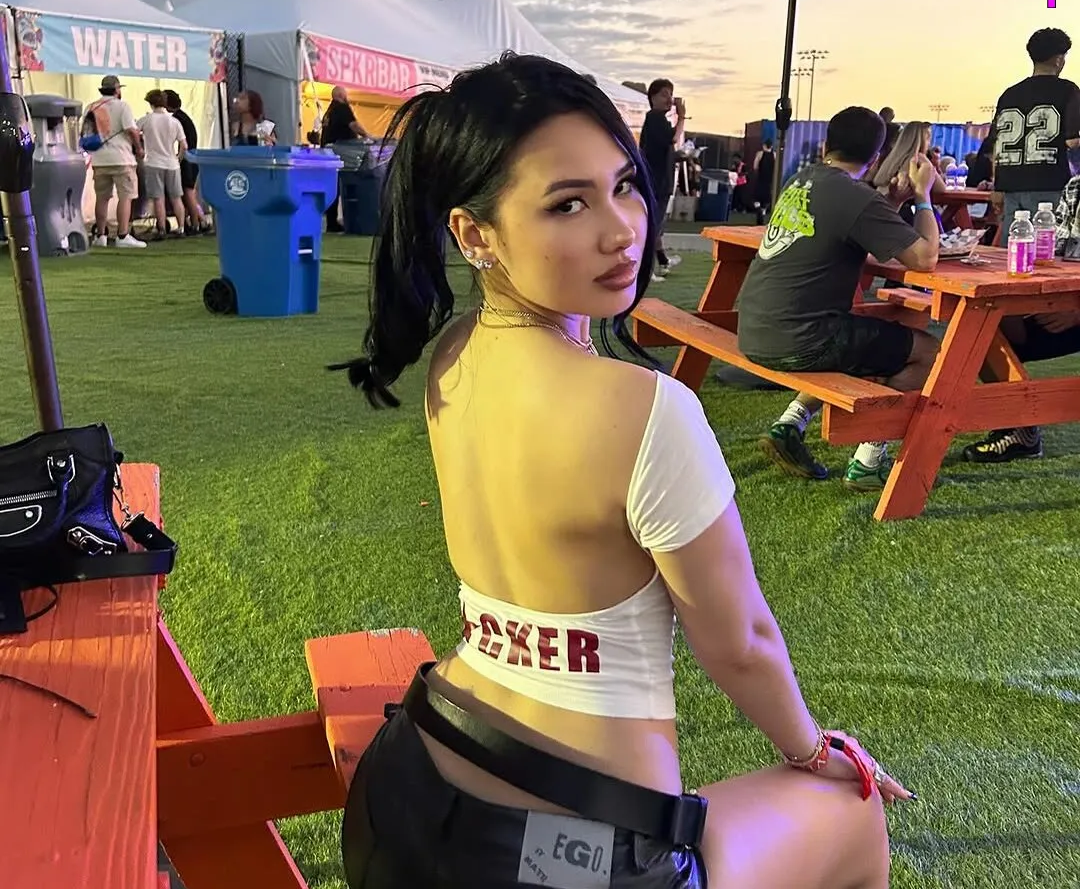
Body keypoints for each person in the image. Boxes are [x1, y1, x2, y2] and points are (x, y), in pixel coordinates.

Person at [330, 53, 911, 889]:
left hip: (404, 796)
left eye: (624, 186)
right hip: (572, 863)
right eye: (568, 203)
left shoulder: (454, 353)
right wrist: (815, 748)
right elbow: (740, 641)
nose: (621, 230)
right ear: (474, 233)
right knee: (852, 806)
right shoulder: (646, 409)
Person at [735, 107, 942, 491]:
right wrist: (923, 196)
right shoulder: (856, 196)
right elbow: (925, 258)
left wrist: (893, 204)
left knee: (868, 338)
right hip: (801, 338)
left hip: (754, 328)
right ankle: (868, 461)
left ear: (825, 146)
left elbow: (856, 224)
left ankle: (790, 424)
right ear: (875, 158)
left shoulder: (801, 180)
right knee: (928, 352)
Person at [961, 169, 1080, 462]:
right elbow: (1056, 253)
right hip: (1064, 299)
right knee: (986, 328)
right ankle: (1020, 430)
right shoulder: (1075, 186)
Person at [992, 27, 1080, 239]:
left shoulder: (1009, 95)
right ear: (1058, 59)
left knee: (1014, 250)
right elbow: (1073, 141)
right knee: (1049, 252)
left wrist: (997, 186)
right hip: (1051, 185)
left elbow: (996, 144)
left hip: (1011, 186)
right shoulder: (1068, 90)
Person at [85, 75, 146, 248]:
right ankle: (122, 235)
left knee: (102, 198)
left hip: (99, 159)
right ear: (117, 89)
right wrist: (139, 148)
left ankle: (101, 235)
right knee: (126, 196)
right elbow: (131, 130)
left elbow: (87, 132)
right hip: (121, 157)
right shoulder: (123, 106)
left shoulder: (91, 107)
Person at [638, 78, 683, 280]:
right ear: (653, 97)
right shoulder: (655, 118)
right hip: (657, 183)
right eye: (664, 94)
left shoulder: (657, 120)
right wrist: (682, 116)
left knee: (656, 226)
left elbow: (662, 149)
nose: (669, 99)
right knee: (653, 227)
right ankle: (646, 271)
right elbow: (673, 138)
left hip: (657, 181)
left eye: (670, 94)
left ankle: (663, 261)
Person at [136, 89, 187, 240]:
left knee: (158, 198)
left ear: (151, 103)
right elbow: (184, 145)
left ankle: (162, 229)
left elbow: (133, 133)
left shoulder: (146, 120)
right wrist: (178, 158)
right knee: (176, 197)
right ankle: (181, 228)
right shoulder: (174, 122)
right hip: (172, 164)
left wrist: (139, 149)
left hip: (153, 163)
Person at [320, 85, 371, 233]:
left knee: (333, 187)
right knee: (342, 186)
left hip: (328, 153)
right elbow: (354, 125)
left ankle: (331, 222)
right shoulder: (342, 108)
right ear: (342, 95)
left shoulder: (330, 111)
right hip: (341, 153)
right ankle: (340, 222)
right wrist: (368, 136)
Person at [163, 89, 211, 235]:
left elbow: (184, 144)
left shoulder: (177, 119)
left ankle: (196, 224)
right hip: (192, 159)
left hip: (187, 160)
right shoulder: (183, 117)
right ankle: (200, 220)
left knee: (188, 193)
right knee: (190, 193)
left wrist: (179, 158)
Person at [752, 139, 775, 224]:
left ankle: (758, 209)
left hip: (760, 179)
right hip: (769, 181)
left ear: (764, 145)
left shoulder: (760, 154)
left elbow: (755, 166)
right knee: (767, 199)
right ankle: (763, 211)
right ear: (771, 146)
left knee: (756, 198)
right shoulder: (775, 155)